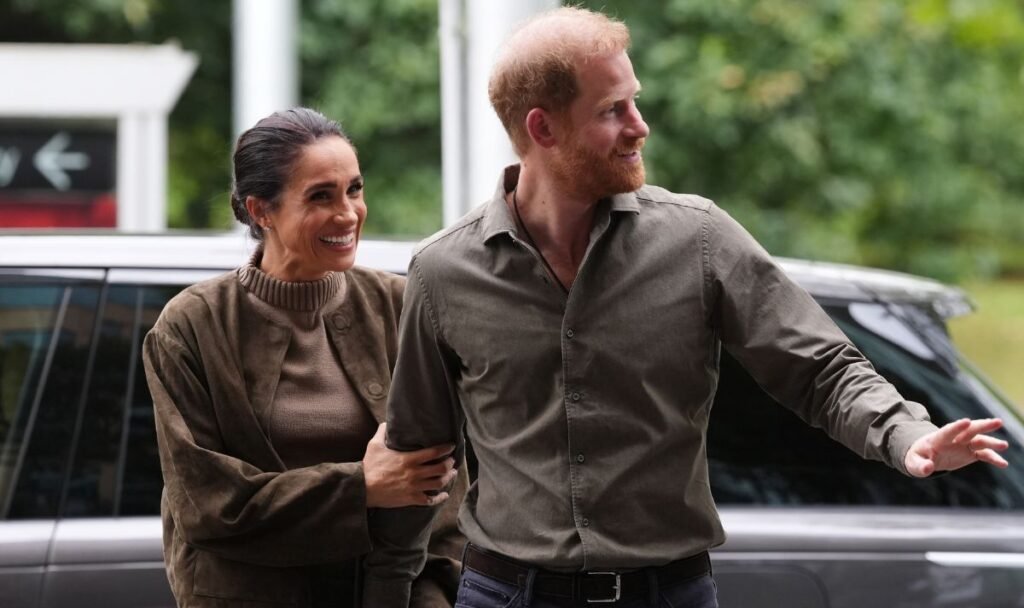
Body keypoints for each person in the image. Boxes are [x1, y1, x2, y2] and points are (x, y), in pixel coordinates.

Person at [364, 7, 1013, 608]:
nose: (639, 126)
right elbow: (416, 455)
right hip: (508, 593)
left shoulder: (698, 240)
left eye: (634, 101)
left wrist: (906, 435)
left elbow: (820, 368)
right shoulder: (445, 271)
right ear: (543, 128)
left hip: (669, 592)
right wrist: (396, 589)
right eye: (612, 109)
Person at [143, 107, 467, 608]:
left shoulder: (401, 305)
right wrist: (361, 487)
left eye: (354, 189)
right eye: (321, 196)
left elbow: (448, 488)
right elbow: (207, 504)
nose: (348, 213)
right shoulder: (192, 326)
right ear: (261, 211)